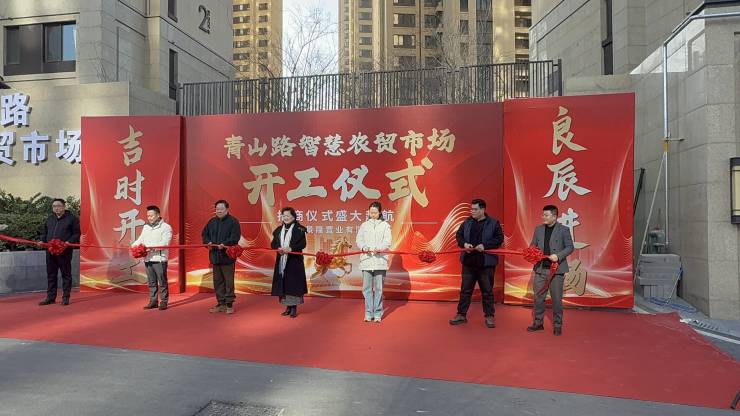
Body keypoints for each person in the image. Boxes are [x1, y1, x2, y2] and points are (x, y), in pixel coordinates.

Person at [449, 198, 504, 328]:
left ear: (482, 209)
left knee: (487, 291)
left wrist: (485, 246)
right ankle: (461, 315)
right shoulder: (467, 222)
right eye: (471, 209)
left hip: (486, 264)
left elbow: (499, 239)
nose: (472, 211)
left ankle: (489, 316)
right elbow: (459, 236)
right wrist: (464, 244)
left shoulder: (493, 223)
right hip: (468, 263)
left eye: (475, 209)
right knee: (465, 290)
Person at [527, 205, 574, 336]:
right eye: (543, 215)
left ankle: (557, 325)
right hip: (540, 269)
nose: (543, 217)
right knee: (538, 298)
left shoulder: (563, 230)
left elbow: (570, 247)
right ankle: (538, 323)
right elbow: (533, 245)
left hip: (556, 270)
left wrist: (558, 256)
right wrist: (531, 252)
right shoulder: (538, 229)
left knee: (557, 300)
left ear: (554, 216)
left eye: (546, 215)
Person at [201, 200, 241, 314]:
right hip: (215, 256)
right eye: (217, 209)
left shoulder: (233, 222)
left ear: (227, 209)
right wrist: (207, 242)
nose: (218, 211)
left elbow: (235, 237)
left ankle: (229, 304)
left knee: (228, 282)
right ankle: (221, 303)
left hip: (227, 257)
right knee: (218, 281)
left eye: (221, 209)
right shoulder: (212, 222)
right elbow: (204, 234)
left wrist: (225, 244)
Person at [39, 198, 80, 306]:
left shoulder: (72, 219)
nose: (56, 208)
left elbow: (76, 233)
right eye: (54, 206)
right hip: (50, 251)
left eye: (58, 206)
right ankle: (50, 297)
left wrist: (68, 242)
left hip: (64, 251)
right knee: (51, 274)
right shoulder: (49, 219)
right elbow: (44, 233)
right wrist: (42, 241)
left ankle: (65, 297)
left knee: (66, 274)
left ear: (64, 207)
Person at [131, 205, 173, 310]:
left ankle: (164, 301)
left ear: (158, 215)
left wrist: (151, 248)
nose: (149, 218)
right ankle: (153, 301)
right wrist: (133, 246)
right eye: (148, 216)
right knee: (151, 282)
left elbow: (165, 243)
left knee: (162, 281)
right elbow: (141, 239)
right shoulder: (146, 227)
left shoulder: (166, 227)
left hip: (159, 259)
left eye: (151, 215)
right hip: (148, 258)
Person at [356, 201, 392, 323]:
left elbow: (388, 241)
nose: (372, 214)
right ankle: (368, 313)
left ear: (380, 212)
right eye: (371, 212)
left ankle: (377, 313)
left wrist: (380, 248)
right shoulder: (364, 225)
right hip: (366, 261)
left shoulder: (385, 226)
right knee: (366, 289)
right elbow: (359, 239)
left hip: (380, 261)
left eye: (375, 212)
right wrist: (363, 247)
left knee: (378, 289)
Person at [270, 207, 308, 318]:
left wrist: (290, 249)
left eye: (288, 215)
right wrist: (278, 248)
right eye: (284, 216)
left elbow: (302, 244)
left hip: (294, 261)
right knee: (284, 284)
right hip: (282, 260)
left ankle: (294, 308)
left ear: (293, 216)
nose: (285, 218)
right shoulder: (278, 230)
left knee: (293, 284)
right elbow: (273, 244)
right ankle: (287, 307)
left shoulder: (299, 229)